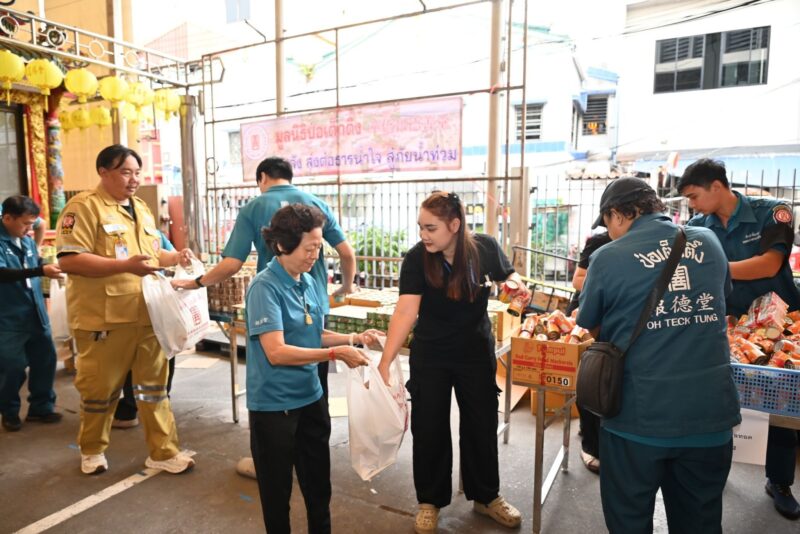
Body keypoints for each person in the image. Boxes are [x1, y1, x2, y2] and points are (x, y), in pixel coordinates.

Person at [171, 156, 357, 479]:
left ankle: (272, 463)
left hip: (273, 306)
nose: (311, 253)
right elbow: (347, 253)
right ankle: (310, 459)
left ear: (262, 177)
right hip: (313, 303)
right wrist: (345, 288)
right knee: (315, 388)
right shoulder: (315, 205)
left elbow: (231, 263)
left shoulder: (254, 208)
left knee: (275, 383)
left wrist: (196, 282)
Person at [577, 177, 741, 534]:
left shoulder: (607, 257)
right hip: (710, 416)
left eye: (607, 223)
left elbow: (589, 324)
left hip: (637, 419)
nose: (609, 232)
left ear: (618, 213)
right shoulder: (708, 241)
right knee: (700, 521)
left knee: (630, 519)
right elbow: (722, 295)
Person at [377, 191, 525, 533]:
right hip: (432, 354)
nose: (423, 235)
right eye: (420, 227)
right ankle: (429, 501)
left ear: (454, 225)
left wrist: (515, 284)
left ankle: (486, 496)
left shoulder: (484, 248)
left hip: (475, 352)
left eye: (431, 228)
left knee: (481, 425)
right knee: (429, 427)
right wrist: (386, 361)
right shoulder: (417, 258)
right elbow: (406, 310)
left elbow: (509, 276)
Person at [55, 144, 196, 476]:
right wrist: (123, 266)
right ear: (103, 172)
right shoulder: (83, 208)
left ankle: (163, 452)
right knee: (100, 391)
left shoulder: (141, 209)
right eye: (125, 172)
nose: (133, 180)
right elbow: (69, 260)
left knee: (154, 389)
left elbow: (151, 254)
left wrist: (176, 257)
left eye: (137, 173)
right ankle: (92, 450)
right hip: (103, 320)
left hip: (147, 315)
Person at [678, 158, 800, 520]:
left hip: (775, 328)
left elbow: (769, 264)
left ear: (717, 186)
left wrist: (712, 267)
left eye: (694, 196)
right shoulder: (697, 227)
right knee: (720, 400)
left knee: (779, 404)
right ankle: (717, 471)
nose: (691, 205)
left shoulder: (771, 212)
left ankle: (779, 481)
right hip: (725, 325)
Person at [246, 203, 377, 533]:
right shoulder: (265, 288)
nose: (314, 256)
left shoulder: (307, 281)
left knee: (318, 486)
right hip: (275, 407)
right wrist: (335, 354)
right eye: (309, 248)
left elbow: (312, 333)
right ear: (281, 245)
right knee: (277, 493)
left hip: (311, 398)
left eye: (319, 248)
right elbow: (276, 352)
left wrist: (354, 338)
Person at [0, 196, 64, 432]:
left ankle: (41, 407)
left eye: (31, 224)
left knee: (45, 360)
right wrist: (40, 270)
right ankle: (9, 411)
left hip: (35, 312)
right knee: (12, 367)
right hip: (9, 317)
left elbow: (40, 224)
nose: (30, 228)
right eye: (26, 224)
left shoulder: (25, 240)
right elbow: (2, 273)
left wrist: (41, 259)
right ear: (8, 218)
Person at [112, 231, 179, 429]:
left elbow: (167, 255)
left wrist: (177, 256)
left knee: (158, 355)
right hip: (133, 306)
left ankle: (141, 406)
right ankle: (138, 406)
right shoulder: (120, 232)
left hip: (150, 303)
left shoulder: (150, 229)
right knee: (144, 357)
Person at [566, 230, 611, 474]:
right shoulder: (599, 243)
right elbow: (578, 280)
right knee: (592, 380)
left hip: (618, 319)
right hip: (589, 315)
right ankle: (591, 446)